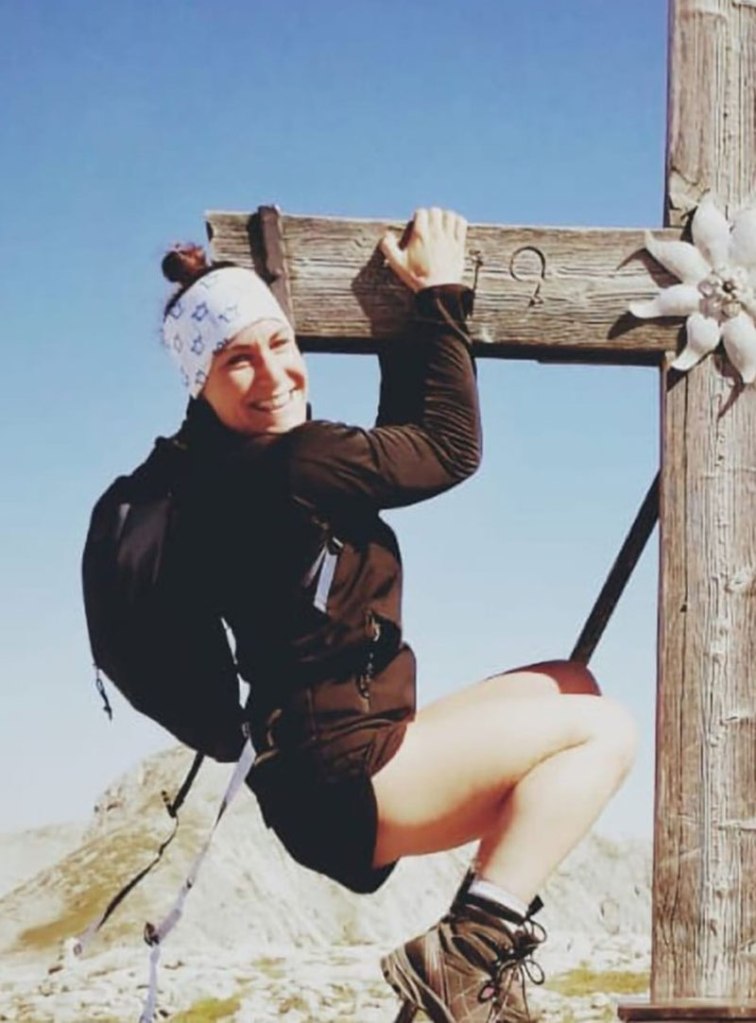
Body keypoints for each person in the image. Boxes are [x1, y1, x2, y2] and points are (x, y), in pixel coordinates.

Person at [159, 207, 637, 1023]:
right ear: (198, 381)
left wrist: (408, 317)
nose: (273, 374)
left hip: (311, 772)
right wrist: (440, 295)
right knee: (605, 730)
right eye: (237, 360)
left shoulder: (219, 473)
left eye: (280, 344)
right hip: (346, 776)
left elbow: (398, 446)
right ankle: (469, 955)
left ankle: (475, 954)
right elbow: (449, 448)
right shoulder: (295, 463)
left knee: (565, 683)